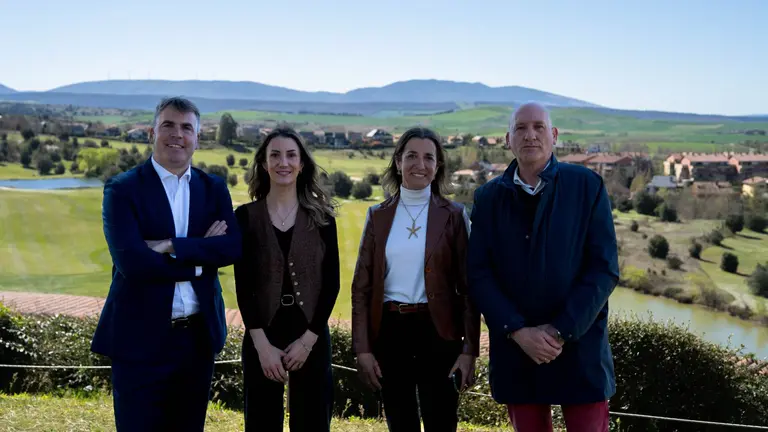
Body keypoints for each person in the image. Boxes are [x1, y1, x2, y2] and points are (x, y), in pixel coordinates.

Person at [91, 96, 242, 431]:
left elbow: (232, 248)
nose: (178, 134)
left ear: (197, 138)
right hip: (139, 340)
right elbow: (134, 263)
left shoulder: (213, 188)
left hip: (196, 341)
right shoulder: (122, 189)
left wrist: (172, 245)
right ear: (152, 132)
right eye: (168, 125)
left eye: (187, 127)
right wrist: (201, 257)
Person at [467, 102, 620, 432]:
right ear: (508, 139)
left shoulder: (587, 186)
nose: (530, 135)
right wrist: (518, 331)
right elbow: (479, 274)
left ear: (553, 135)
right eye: (520, 128)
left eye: (538, 127)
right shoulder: (488, 198)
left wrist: (559, 330)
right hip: (517, 350)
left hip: (580, 348)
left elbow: (603, 268)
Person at [351, 127, 481, 431]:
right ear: (398, 162)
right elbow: (361, 288)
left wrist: (469, 351)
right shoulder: (377, 216)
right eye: (411, 156)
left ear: (438, 167)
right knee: (401, 423)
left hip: (440, 335)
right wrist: (363, 349)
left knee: (441, 423)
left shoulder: (454, 216)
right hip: (390, 333)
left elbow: (469, 290)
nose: (419, 165)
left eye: (428, 158)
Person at [233, 127, 340, 432]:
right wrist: (261, 346)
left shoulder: (322, 218)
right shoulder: (245, 217)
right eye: (275, 155)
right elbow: (244, 287)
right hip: (262, 334)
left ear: (302, 164)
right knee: (261, 423)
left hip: (311, 333)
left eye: (291, 155)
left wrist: (308, 341)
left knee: (313, 423)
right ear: (264, 164)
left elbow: (331, 284)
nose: (284, 162)